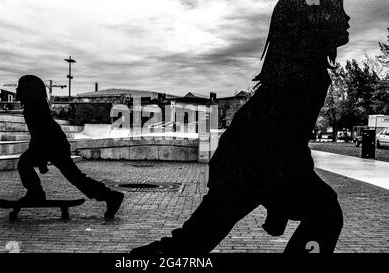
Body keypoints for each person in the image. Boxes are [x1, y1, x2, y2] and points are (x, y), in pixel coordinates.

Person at [132, 0, 350, 253]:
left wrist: (278, 205)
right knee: (326, 212)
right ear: (313, 23)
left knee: (193, 241)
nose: (346, 19)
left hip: (246, 163)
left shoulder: (295, 69)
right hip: (248, 165)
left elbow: (287, 141)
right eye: (337, 12)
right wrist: (279, 205)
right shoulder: (304, 75)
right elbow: (287, 142)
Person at [15, 75, 124, 219]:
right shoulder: (34, 106)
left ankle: (36, 193)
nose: (17, 90)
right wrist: (40, 159)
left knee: (24, 163)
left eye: (20, 88)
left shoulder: (32, 109)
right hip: (54, 143)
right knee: (75, 177)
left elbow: (40, 134)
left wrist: (41, 160)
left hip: (53, 144)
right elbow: (39, 135)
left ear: (28, 91)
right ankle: (110, 196)